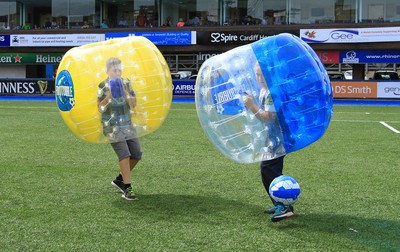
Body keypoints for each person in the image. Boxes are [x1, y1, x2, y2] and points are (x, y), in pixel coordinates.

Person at [243, 62, 294, 222]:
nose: (260, 78)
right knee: (269, 169)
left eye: (263, 74)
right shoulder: (264, 90)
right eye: (257, 74)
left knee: (269, 169)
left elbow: (268, 118)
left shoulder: (272, 92)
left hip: (279, 136)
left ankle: (285, 206)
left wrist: (251, 106)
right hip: (272, 136)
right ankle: (280, 203)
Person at [97, 57, 142, 201]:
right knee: (125, 154)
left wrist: (126, 93)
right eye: (114, 70)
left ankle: (119, 180)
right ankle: (127, 188)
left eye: (119, 70)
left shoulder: (126, 83)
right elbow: (100, 108)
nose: (117, 72)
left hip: (127, 123)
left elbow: (133, 104)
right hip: (111, 125)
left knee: (137, 154)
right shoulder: (103, 85)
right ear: (108, 71)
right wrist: (109, 96)